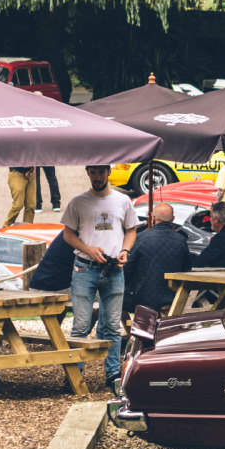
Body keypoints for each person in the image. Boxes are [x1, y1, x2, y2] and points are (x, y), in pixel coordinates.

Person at [62, 164, 139, 393]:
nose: (97, 177)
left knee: (113, 326)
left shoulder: (123, 200)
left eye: (101, 172)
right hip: (85, 268)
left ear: (108, 172)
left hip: (115, 268)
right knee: (81, 325)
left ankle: (113, 374)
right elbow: (68, 235)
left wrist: (125, 250)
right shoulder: (78, 202)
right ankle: (75, 373)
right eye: (93, 173)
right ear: (87, 173)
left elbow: (131, 230)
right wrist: (87, 249)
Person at [125, 203, 192, 314]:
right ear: (173, 219)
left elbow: (128, 268)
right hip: (173, 297)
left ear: (153, 218)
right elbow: (187, 268)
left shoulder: (141, 238)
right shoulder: (181, 240)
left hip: (143, 298)